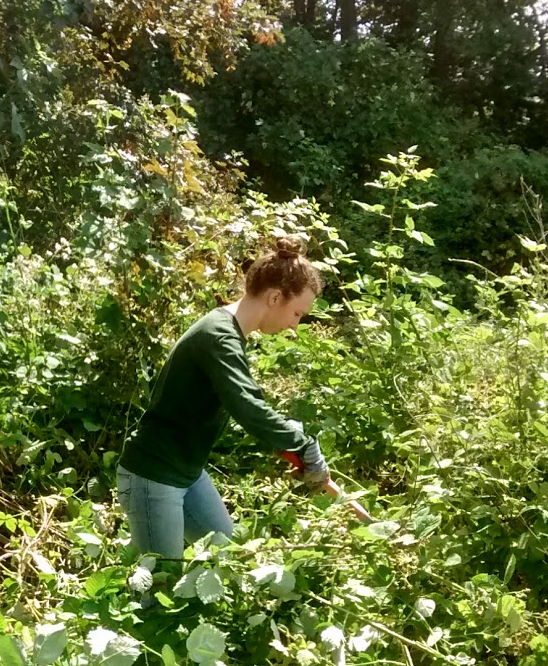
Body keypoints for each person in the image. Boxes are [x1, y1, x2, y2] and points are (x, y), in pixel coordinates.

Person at [115, 235, 366, 560]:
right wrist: (301, 444)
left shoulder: (228, 332)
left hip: (186, 473)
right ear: (275, 297)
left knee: (226, 558)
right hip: (153, 475)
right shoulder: (219, 336)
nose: (294, 326)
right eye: (298, 315)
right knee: (160, 587)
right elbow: (247, 407)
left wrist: (284, 439)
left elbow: (241, 403)